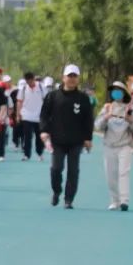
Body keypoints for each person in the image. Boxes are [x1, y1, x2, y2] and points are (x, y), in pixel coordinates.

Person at [40, 65, 94, 209]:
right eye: (69, 76)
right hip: (57, 140)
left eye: (74, 76)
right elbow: (44, 115)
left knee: (73, 170)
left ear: (78, 79)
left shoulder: (83, 98)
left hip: (76, 140)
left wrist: (88, 138)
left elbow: (88, 119)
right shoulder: (52, 96)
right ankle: (57, 191)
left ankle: (69, 199)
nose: (71, 79)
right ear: (63, 77)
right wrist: (44, 131)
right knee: (56, 168)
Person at [95, 82, 133, 211]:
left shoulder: (131, 108)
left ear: (124, 93)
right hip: (109, 145)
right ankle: (114, 200)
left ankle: (124, 201)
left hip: (125, 145)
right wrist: (106, 117)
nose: (116, 93)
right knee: (110, 175)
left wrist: (130, 120)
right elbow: (97, 126)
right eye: (113, 90)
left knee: (124, 173)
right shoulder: (107, 107)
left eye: (119, 90)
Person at [18, 72, 46, 161]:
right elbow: (19, 101)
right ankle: (26, 154)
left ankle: (39, 153)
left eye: (31, 80)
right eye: (28, 81)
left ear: (34, 79)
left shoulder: (41, 87)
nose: (30, 83)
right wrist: (18, 114)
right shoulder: (23, 88)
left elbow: (47, 100)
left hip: (39, 116)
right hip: (26, 115)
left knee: (39, 136)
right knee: (27, 136)